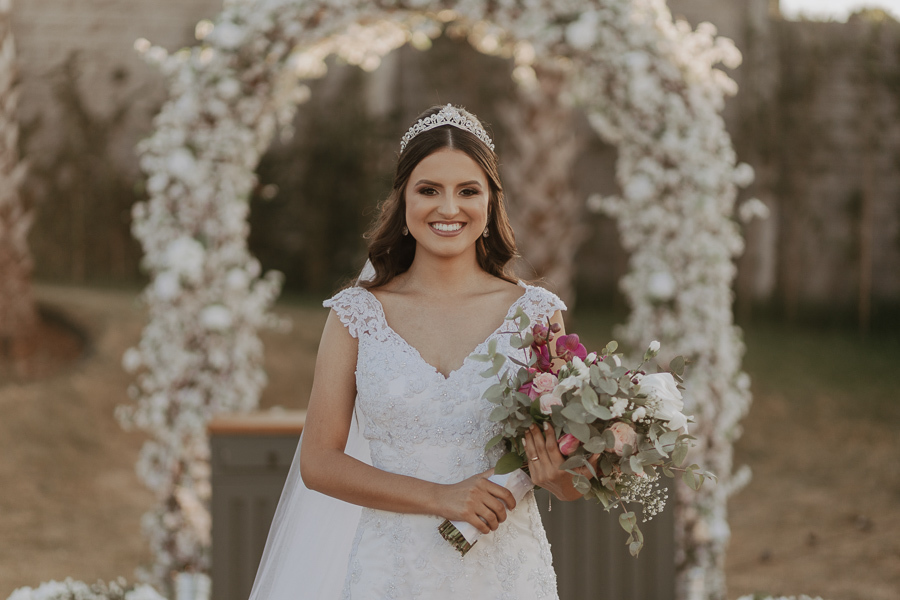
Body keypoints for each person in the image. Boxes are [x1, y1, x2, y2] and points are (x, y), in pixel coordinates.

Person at [248, 105, 588, 600]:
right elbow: (318, 462)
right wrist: (441, 497)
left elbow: (571, 482)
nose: (449, 208)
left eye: (467, 191)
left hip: (504, 575)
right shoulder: (356, 315)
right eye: (429, 190)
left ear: (491, 202)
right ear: (402, 200)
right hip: (389, 573)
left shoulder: (536, 314)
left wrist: (557, 474)